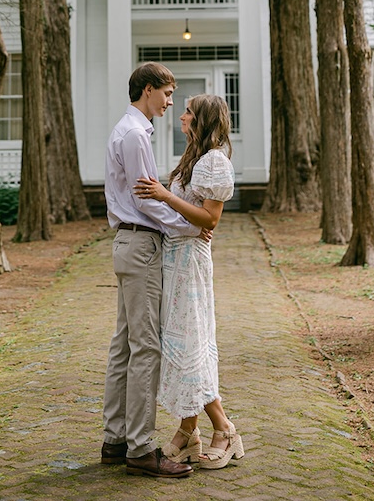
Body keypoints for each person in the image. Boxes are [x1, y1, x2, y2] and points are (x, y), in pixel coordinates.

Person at [101, 61, 203, 480]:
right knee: (146, 347)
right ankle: (140, 448)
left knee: (125, 344)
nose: (170, 102)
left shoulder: (126, 130)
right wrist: (191, 226)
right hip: (140, 246)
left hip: (128, 243)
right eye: (166, 94)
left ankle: (115, 440)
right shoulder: (136, 134)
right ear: (147, 90)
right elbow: (147, 199)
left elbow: (146, 196)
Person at [134, 92, 244, 471]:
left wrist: (165, 195)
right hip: (173, 259)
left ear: (203, 120)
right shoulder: (193, 159)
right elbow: (193, 215)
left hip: (191, 265)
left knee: (192, 342)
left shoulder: (214, 162)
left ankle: (224, 429)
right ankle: (188, 432)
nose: (181, 116)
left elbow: (209, 220)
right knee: (179, 343)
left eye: (188, 112)